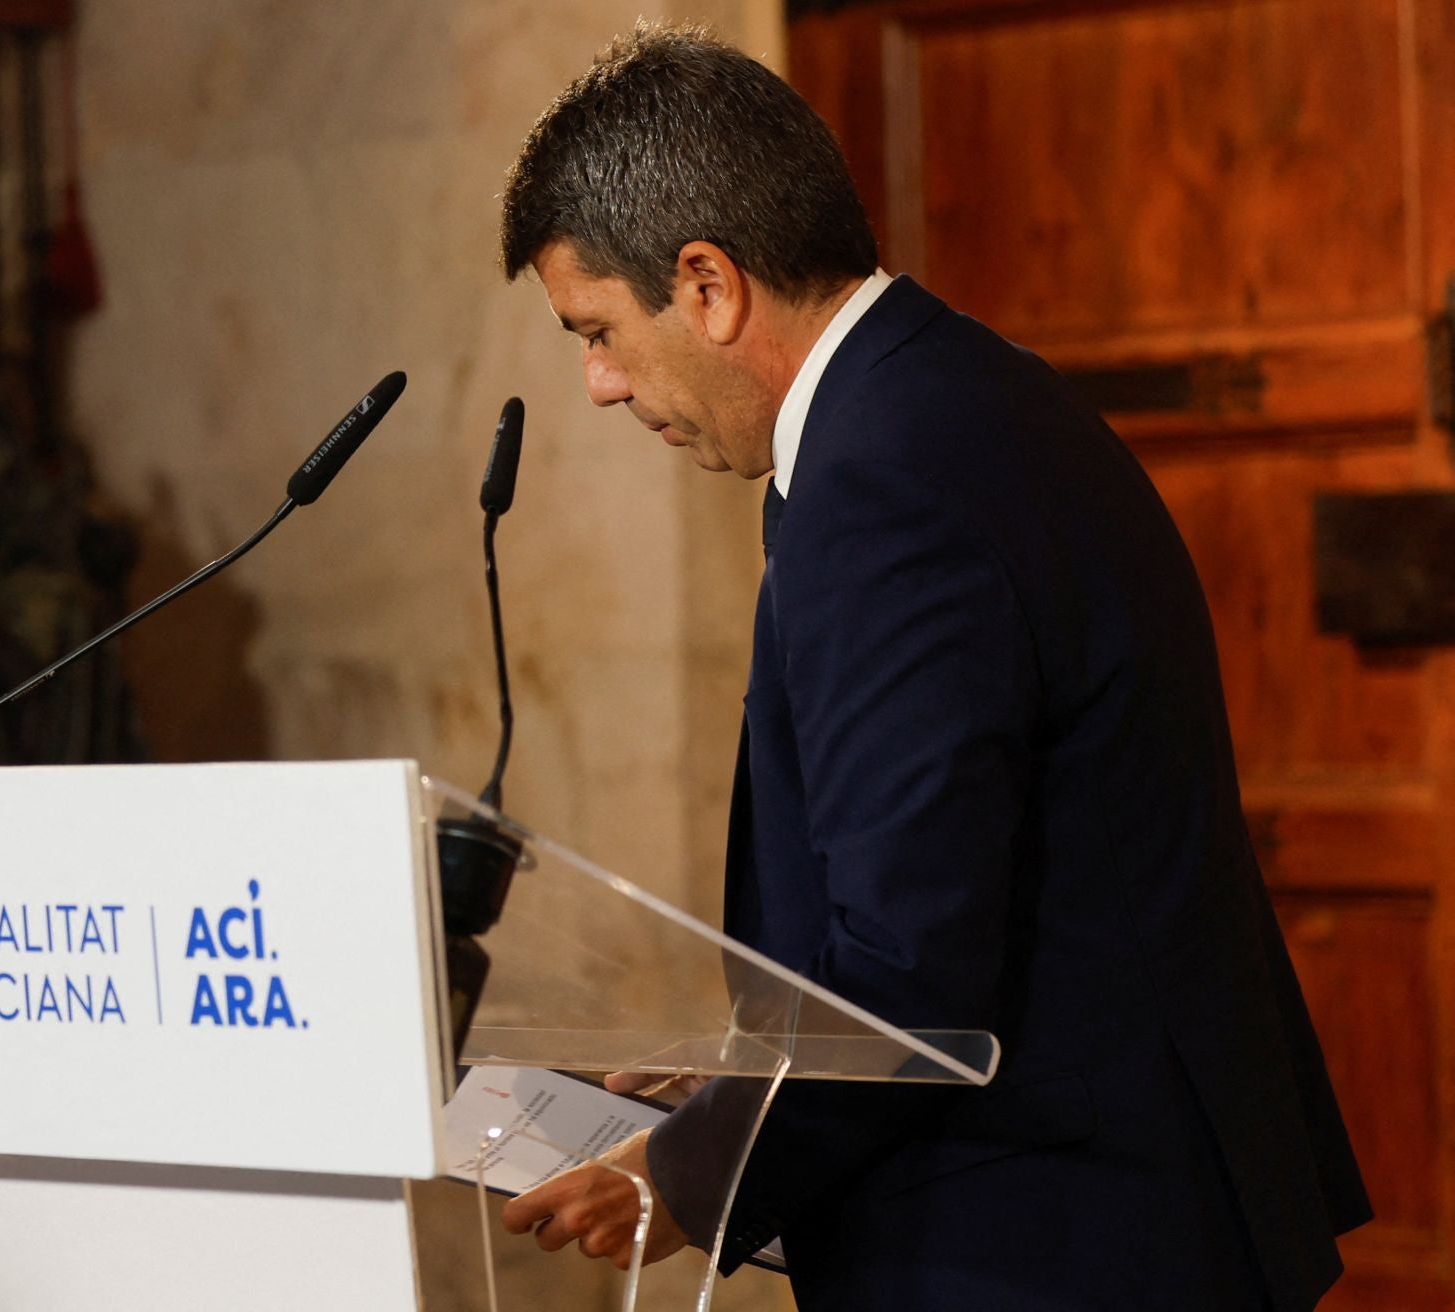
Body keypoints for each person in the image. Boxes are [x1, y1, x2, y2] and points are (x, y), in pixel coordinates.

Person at [494, 23, 1369, 1311]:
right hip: (1122, 1203)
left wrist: (687, 1173)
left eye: (600, 330)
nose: (599, 387)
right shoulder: (962, 396)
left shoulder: (884, 481)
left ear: (707, 285)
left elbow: (909, 968)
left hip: (1047, 1242)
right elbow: (985, 887)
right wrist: (740, 1081)